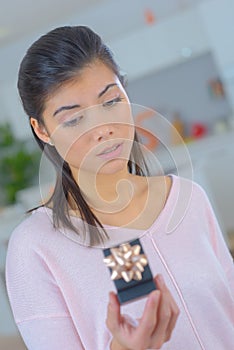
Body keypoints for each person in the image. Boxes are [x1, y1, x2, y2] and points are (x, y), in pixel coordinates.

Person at [5, 26, 234, 350]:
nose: (103, 129)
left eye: (111, 101)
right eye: (72, 119)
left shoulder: (188, 199)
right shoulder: (35, 248)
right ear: (42, 129)